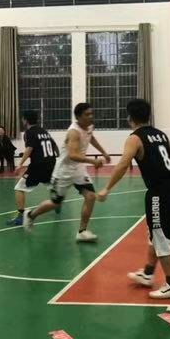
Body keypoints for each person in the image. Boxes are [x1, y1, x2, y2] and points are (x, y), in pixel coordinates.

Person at [97, 99, 170, 299]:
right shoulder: (160, 134)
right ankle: (148, 273)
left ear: (130, 118)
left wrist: (106, 188)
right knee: (155, 234)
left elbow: (122, 164)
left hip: (158, 192)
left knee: (161, 237)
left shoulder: (135, 138)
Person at [24, 103, 111, 242]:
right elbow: (72, 155)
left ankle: (82, 231)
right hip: (63, 171)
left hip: (78, 169)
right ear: (78, 117)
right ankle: (31, 215)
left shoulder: (89, 126)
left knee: (90, 196)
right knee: (55, 203)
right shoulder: (73, 132)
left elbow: (90, 137)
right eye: (87, 114)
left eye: (91, 113)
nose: (91, 116)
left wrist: (104, 152)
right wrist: (93, 161)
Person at [6, 111, 58, 226]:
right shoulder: (44, 131)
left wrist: (20, 164)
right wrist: (56, 156)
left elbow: (29, 149)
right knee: (51, 185)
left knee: (19, 188)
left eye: (22, 119)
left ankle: (21, 217)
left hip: (38, 166)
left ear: (25, 120)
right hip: (51, 164)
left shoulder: (29, 132)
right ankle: (56, 203)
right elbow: (54, 145)